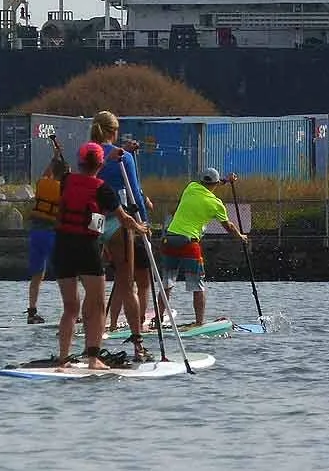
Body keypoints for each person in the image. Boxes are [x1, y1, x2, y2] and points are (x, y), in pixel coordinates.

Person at [53, 142, 149, 371]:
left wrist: (103, 160)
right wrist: (140, 227)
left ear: (79, 162)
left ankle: (63, 359)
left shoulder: (66, 181)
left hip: (62, 246)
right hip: (86, 247)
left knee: (70, 308)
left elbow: (82, 172)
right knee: (98, 304)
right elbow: (124, 218)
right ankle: (93, 358)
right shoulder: (102, 189)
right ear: (99, 164)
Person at [160, 168, 249, 329]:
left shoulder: (191, 187)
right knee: (197, 286)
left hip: (170, 239)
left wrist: (225, 181)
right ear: (215, 184)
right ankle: (199, 322)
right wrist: (240, 236)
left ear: (201, 181)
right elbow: (228, 226)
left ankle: (157, 320)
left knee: (167, 282)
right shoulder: (216, 204)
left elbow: (212, 183)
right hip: (189, 244)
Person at [24, 146, 69, 324]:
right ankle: (71, 310)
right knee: (63, 273)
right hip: (52, 234)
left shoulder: (42, 183)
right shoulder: (63, 190)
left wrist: (54, 158)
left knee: (37, 274)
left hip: (36, 233)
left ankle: (32, 311)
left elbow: (46, 174)